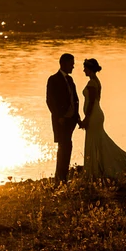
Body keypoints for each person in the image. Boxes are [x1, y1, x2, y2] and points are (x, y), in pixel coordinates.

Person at [79, 58, 126, 179]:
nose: (83, 70)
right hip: (95, 115)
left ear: (89, 69)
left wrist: (86, 118)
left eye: (85, 68)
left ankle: (95, 171)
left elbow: (91, 103)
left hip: (93, 116)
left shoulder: (92, 83)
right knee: (97, 141)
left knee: (94, 141)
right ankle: (97, 169)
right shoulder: (95, 81)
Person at [46, 53, 80, 184]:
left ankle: (62, 176)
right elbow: (50, 100)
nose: (73, 66)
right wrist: (59, 116)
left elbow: (74, 99)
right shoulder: (53, 79)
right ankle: (60, 177)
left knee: (67, 146)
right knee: (63, 146)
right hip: (61, 120)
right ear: (63, 64)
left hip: (71, 120)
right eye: (71, 63)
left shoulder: (70, 80)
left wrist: (77, 117)